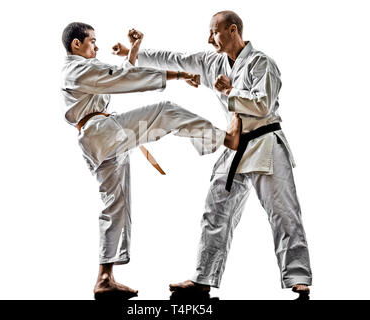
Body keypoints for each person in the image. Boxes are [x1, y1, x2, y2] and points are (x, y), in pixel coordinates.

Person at [113, 10, 312, 299]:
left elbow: (264, 105)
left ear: (233, 30)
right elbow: (176, 59)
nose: (209, 39)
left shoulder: (261, 63)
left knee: (283, 213)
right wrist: (136, 51)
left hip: (266, 143)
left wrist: (232, 91)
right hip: (235, 145)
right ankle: (203, 278)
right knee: (215, 211)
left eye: (214, 32)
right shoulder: (213, 62)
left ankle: (299, 276)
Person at [61, 22, 241, 300]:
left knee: (114, 205)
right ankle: (224, 139)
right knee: (165, 111)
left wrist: (134, 49)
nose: (96, 46)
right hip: (102, 133)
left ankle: (104, 278)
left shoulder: (84, 71)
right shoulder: (77, 68)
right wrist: (179, 75)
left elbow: (120, 75)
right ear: (76, 44)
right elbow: (123, 79)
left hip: (97, 140)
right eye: (92, 41)